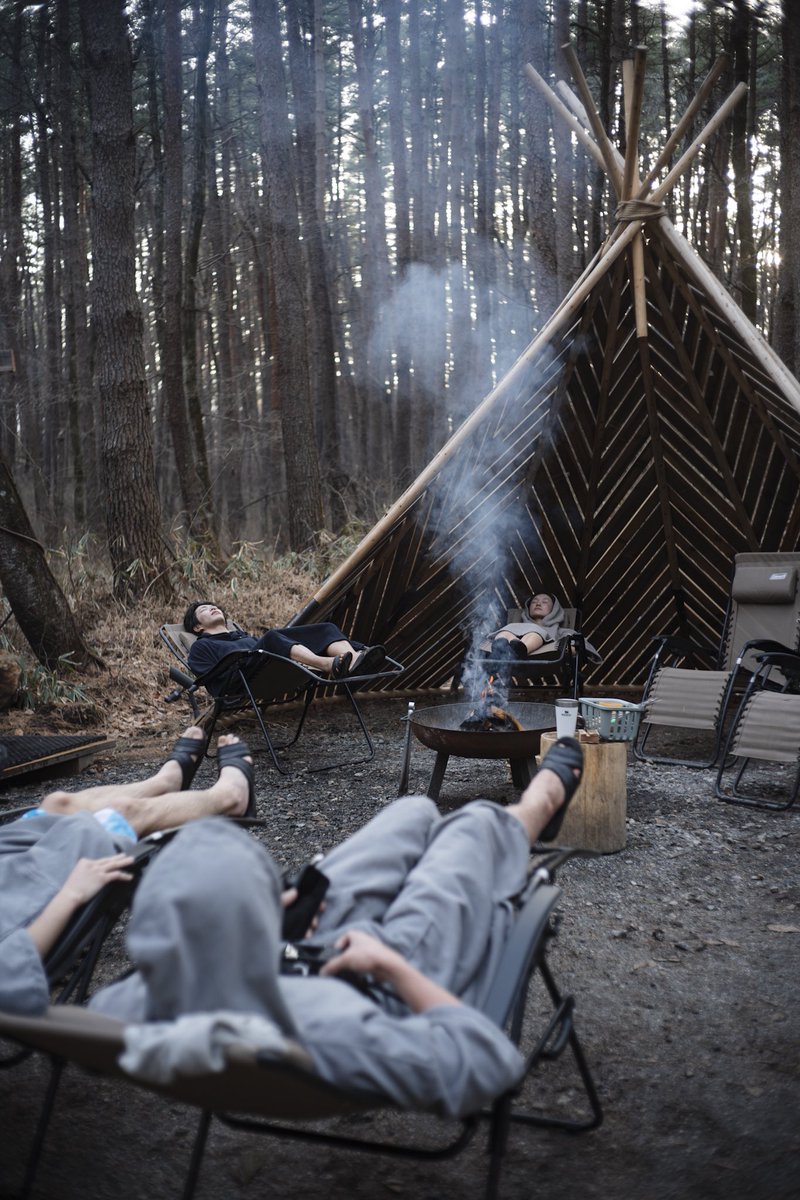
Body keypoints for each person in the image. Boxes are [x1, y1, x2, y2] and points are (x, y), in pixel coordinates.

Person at [90, 737, 584, 1118]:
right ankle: (537, 807)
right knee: (475, 824)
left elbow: (107, 1010)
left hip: (284, 954)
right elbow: (489, 1062)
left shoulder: (134, 1001)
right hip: (379, 980)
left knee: (413, 812)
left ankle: (508, 819)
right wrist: (390, 966)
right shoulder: (333, 1033)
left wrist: (268, 924)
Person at [0, 729, 255, 1015]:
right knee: (123, 814)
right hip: (20, 904)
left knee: (57, 804)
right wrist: (70, 894)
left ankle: (165, 782)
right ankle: (230, 798)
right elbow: (9, 975)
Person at [183, 601, 387, 693]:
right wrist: (235, 661)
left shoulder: (242, 636)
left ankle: (354, 659)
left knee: (326, 628)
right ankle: (327, 664)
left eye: (214, 606)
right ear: (197, 627)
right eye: (204, 609)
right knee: (272, 637)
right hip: (245, 679)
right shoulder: (202, 646)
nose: (212, 608)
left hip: (273, 666)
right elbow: (210, 680)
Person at [481, 592, 566, 660]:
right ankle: (499, 650)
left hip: (533, 652)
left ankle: (519, 650)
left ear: (554, 609)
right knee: (505, 632)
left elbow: (571, 647)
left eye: (544, 602)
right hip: (510, 646)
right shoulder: (517, 626)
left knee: (535, 634)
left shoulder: (560, 631)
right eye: (534, 602)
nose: (538, 604)